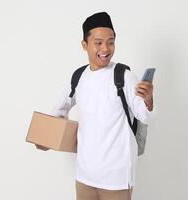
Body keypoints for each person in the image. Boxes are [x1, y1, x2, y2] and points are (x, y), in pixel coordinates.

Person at [37, 12, 154, 200]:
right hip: (84, 177)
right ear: (85, 45)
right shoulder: (79, 76)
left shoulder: (123, 76)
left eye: (111, 42)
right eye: (98, 43)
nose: (106, 49)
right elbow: (60, 110)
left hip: (117, 179)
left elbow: (144, 115)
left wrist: (148, 100)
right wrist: (46, 139)